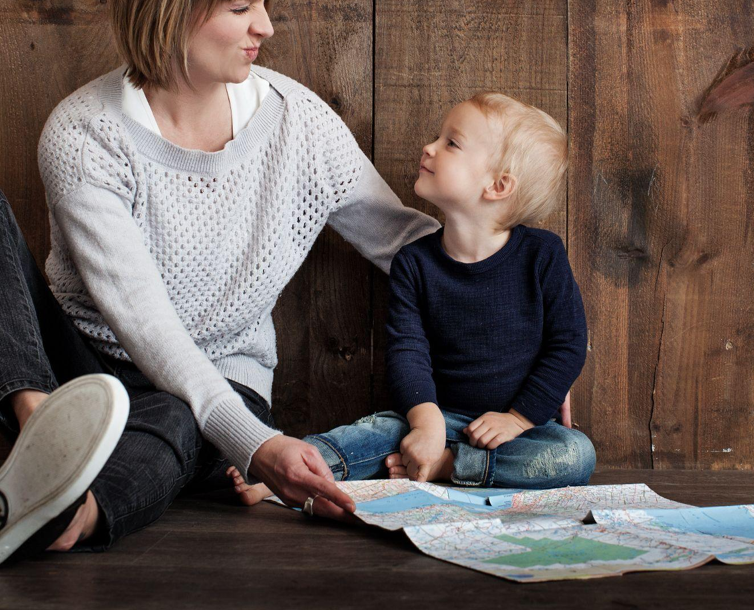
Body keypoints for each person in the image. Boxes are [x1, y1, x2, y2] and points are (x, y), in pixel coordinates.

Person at [0, 0, 442, 570]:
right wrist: (254, 448)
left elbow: (404, 243)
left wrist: (521, 319)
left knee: (176, 414)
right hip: (79, 369)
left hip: (217, 383)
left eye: (263, 2)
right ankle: (43, 434)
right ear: (172, 5)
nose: (267, 27)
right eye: (241, 7)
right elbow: (145, 324)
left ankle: (71, 512)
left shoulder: (299, 124)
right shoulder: (84, 134)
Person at [230, 91, 594, 503]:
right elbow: (407, 350)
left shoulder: (542, 255)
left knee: (574, 455)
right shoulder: (415, 263)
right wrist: (425, 423)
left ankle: (452, 467)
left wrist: (518, 418)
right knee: (372, 434)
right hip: (436, 415)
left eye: (451, 143)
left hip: (516, 431)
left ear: (498, 185)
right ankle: (285, 473)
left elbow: (567, 344)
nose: (430, 147)